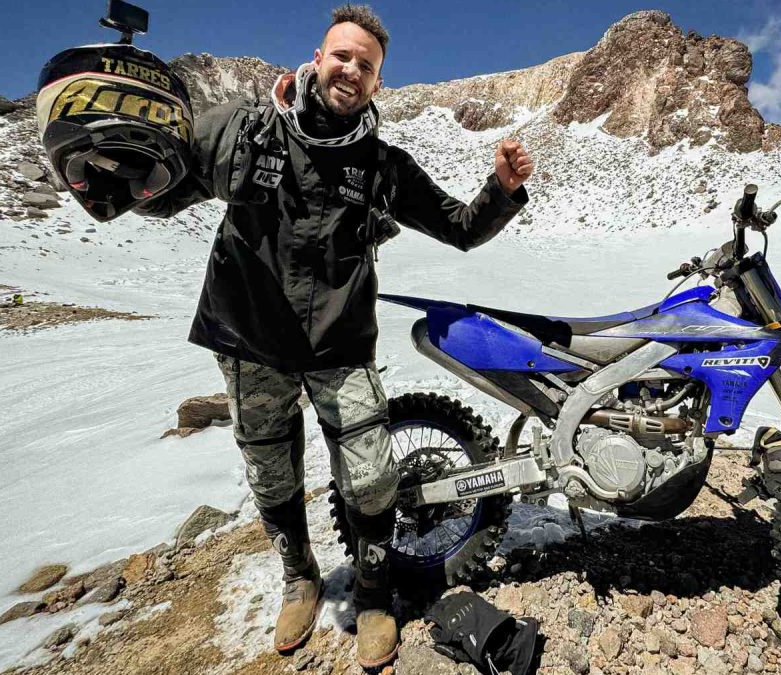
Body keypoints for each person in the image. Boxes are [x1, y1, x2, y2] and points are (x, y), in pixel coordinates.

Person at [133, 5, 532, 667]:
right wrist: (119, 165)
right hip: (250, 338)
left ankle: (373, 593)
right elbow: (165, 186)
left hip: (338, 344)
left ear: (377, 83)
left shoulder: (382, 166)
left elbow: (460, 226)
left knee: (372, 480)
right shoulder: (249, 129)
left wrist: (503, 189)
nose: (351, 70)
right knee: (270, 471)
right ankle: (300, 579)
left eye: (366, 65)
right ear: (317, 59)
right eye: (342, 56)